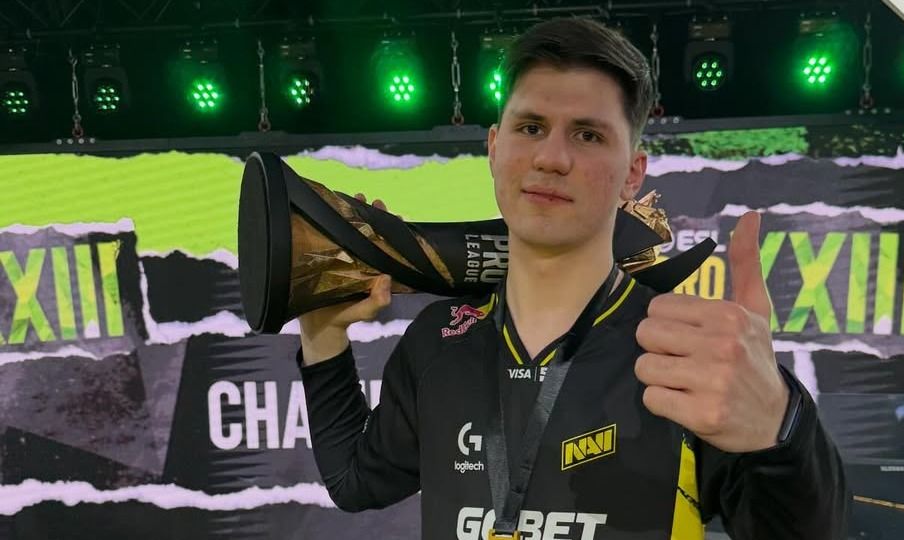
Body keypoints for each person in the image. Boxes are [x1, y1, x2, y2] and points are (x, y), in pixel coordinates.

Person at [296, 17, 848, 540]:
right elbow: (355, 481)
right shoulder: (438, 340)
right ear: (494, 148)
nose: (551, 157)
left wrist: (782, 428)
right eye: (531, 127)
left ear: (633, 173)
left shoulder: (684, 352)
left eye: (588, 135)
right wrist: (322, 335)